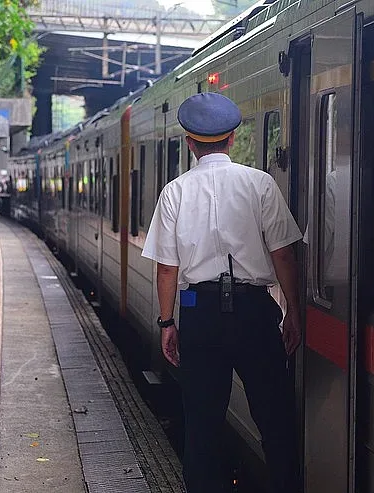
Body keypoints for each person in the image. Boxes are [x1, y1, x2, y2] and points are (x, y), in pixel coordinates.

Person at [141, 93, 303, 493]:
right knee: (275, 421)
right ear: (232, 138)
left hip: (200, 314)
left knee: (202, 424)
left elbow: (166, 267)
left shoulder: (174, 192)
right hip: (255, 314)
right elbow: (283, 253)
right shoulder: (260, 184)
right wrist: (295, 312)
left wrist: (167, 322)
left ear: (189, 142)